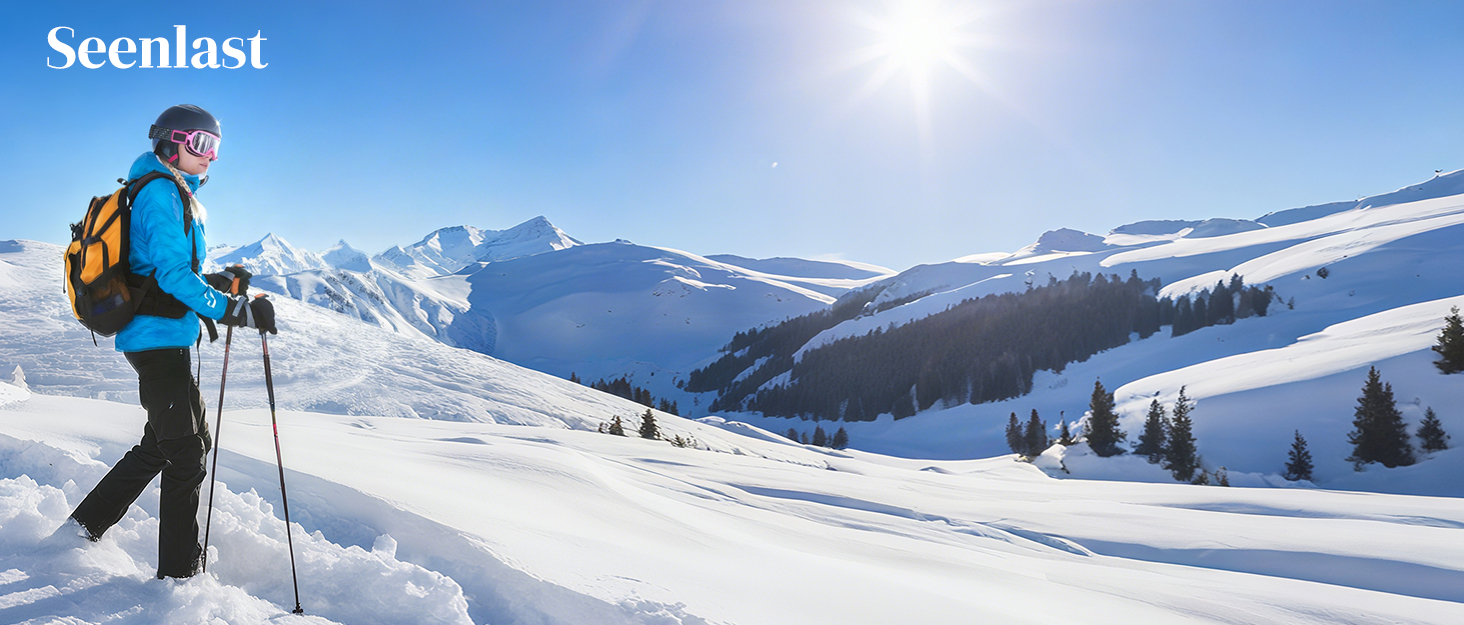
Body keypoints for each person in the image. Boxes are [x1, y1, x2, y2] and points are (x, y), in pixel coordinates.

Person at [66, 104, 277, 580]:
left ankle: (83, 526)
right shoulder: (162, 192)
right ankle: (179, 577)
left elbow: (167, 271)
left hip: (166, 337)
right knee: (186, 453)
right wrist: (233, 310)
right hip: (156, 341)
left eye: (215, 147)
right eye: (202, 144)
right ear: (170, 142)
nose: (211, 156)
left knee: (167, 444)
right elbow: (173, 276)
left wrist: (223, 282)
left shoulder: (170, 191)